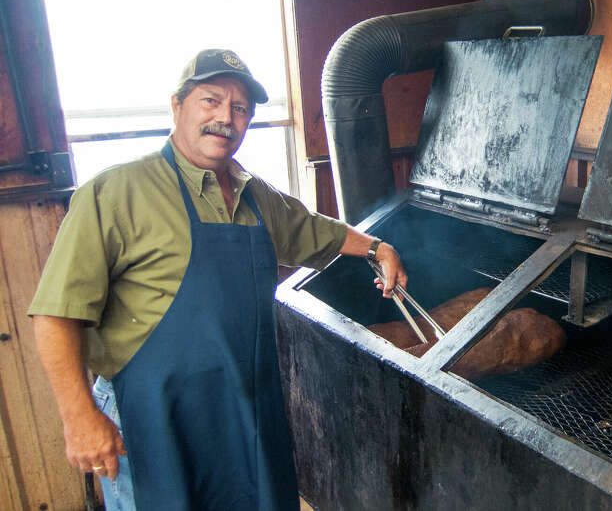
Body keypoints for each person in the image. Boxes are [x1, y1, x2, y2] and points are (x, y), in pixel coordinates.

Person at [28, 49, 407, 510]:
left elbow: (314, 231)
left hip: (241, 409)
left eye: (240, 108)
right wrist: (78, 417)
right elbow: (54, 315)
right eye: (210, 101)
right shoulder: (114, 193)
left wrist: (376, 247)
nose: (225, 118)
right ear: (177, 106)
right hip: (151, 418)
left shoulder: (254, 194)